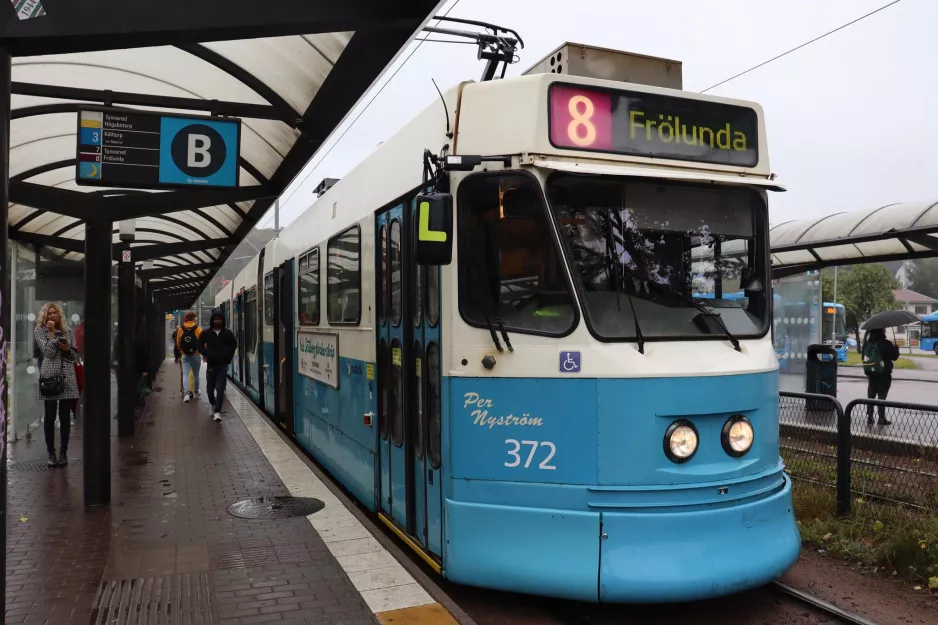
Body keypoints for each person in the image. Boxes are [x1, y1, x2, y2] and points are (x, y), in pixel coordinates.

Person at [33, 302, 80, 467]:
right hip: (50, 377)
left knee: (65, 416)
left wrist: (66, 349)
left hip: (67, 376)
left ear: (59, 315)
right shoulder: (40, 331)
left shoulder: (67, 331)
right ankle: (51, 453)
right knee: (50, 416)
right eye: (49, 313)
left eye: (55, 313)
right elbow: (48, 353)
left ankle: (64, 452)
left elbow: (73, 356)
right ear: (45, 317)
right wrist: (53, 337)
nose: (52, 316)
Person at [199, 308, 237, 422]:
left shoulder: (228, 333)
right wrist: (205, 353)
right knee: (210, 390)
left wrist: (228, 357)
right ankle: (212, 401)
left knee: (220, 389)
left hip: (222, 365)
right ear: (212, 320)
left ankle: (217, 411)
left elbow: (233, 345)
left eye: (220, 319)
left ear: (222, 320)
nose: (217, 321)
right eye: (215, 319)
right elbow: (199, 344)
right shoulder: (206, 332)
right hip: (211, 365)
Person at [862, 328, 900, 425]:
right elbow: (894, 357)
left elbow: (863, 358)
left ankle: (870, 417)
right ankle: (881, 418)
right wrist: (896, 348)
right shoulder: (886, 344)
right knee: (881, 396)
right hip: (884, 373)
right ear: (882, 331)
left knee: (870, 395)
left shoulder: (867, 344)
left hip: (871, 373)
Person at [173, 312, 204, 403]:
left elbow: (178, 343)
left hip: (185, 355)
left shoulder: (180, 329)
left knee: (185, 374)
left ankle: (186, 394)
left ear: (186, 318)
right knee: (196, 374)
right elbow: (202, 343)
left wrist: (182, 351)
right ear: (194, 318)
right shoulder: (198, 329)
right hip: (196, 355)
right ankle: (196, 391)